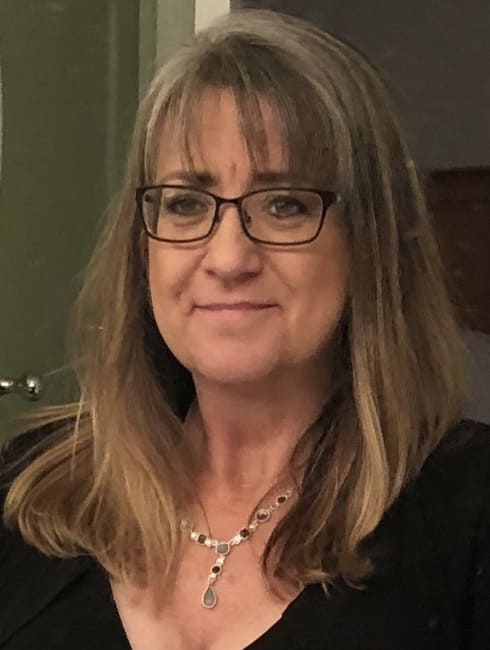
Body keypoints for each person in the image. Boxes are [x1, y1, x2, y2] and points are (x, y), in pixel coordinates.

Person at [0, 8, 489, 650]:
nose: (229, 258)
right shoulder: (30, 493)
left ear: (369, 244)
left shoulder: (469, 513)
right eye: (185, 203)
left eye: (285, 204)